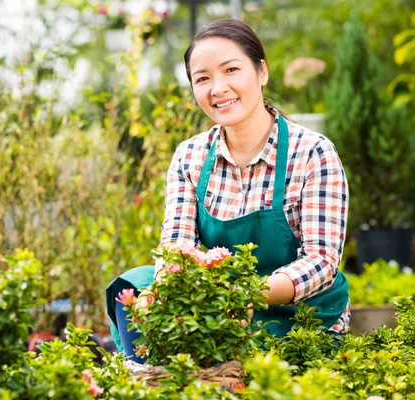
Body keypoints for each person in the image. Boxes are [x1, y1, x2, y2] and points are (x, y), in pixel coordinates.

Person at [106, 19, 350, 363]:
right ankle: (145, 376)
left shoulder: (311, 153)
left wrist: (247, 294)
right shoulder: (189, 156)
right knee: (134, 284)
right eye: (202, 78)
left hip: (299, 318)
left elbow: (321, 262)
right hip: (222, 313)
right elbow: (176, 243)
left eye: (231, 70)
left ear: (261, 71)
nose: (218, 88)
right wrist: (164, 289)